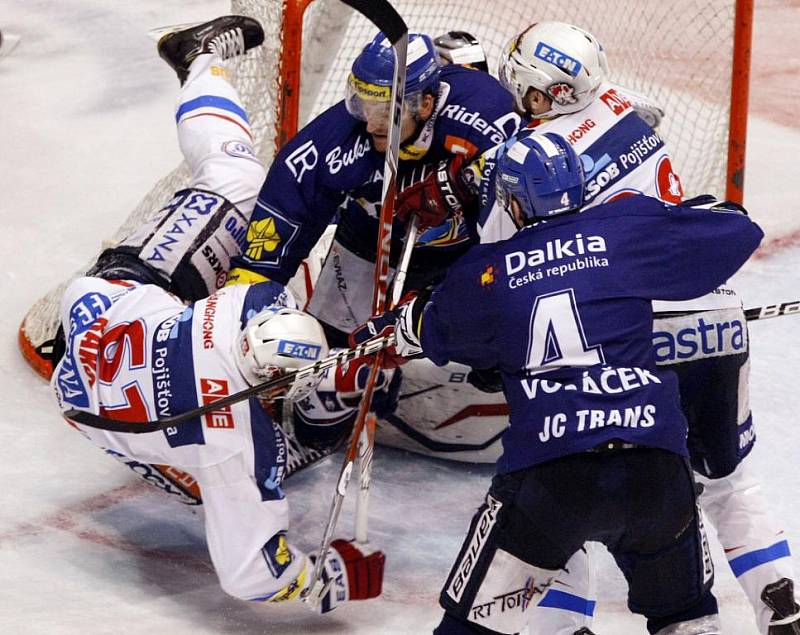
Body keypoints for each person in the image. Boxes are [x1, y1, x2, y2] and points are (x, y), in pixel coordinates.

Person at [401, 20, 800, 634]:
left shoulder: (530, 162)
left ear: (543, 94)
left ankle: (567, 626)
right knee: (724, 478)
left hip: (615, 329)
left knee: (575, 485)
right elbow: (716, 225)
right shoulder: (624, 107)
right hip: (709, 311)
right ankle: (782, 605)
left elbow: (511, 271)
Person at [353, 131, 764, 634]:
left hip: (550, 481)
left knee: (469, 629)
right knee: (686, 616)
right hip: (656, 469)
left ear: (510, 201)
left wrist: (387, 328)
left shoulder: (486, 272)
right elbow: (738, 232)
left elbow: (424, 334)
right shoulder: (626, 230)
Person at [49, 16, 386, 610]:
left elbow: (260, 276)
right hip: (106, 402)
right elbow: (251, 575)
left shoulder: (240, 311)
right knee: (217, 471)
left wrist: (322, 578)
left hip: (100, 325)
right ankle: (197, 55)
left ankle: (201, 61)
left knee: (239, 180)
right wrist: (325, 579)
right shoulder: (235, 442)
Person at [223, 29, 521, 457]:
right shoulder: (330, 145)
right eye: (361, 102)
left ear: (424, 102)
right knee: (322, 400)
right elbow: (267, 250)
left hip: (467, 252)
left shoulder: (487, 115)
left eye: (384, 108)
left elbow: (536, 215)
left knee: (503, 340)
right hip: (368, 245)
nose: (369, 120)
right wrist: (241, 314)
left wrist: (495, 323)